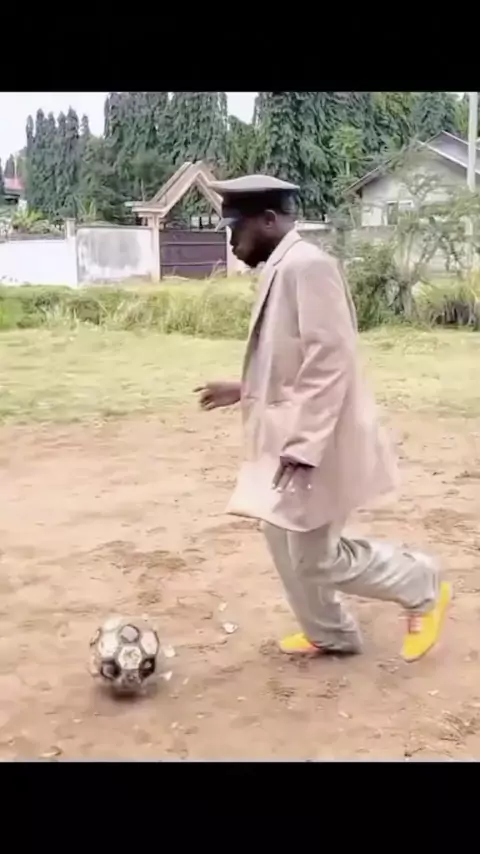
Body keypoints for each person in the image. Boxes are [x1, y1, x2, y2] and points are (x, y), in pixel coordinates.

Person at [195, 174, 451, 662]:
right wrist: (244, 388)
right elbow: (295, 359)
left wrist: (304, 444)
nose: (231, 241)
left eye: (235, 228)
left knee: (315, 557)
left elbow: (331, 359)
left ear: (269, 220)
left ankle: (421, 583)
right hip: (291, 436)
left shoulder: (308, 266)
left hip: (317, 441)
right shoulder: (282, 266)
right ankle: (330, 633)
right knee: (280, 534)